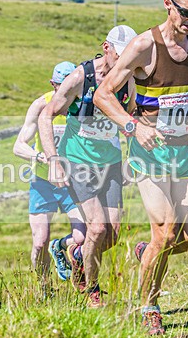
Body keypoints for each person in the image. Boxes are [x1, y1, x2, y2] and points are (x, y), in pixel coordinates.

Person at [94, 0, 188, 335]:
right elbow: (103, 95)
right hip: (148, 151)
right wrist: (133, 126)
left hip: (186, 151)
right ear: (167, 4)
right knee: (166, 230)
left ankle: (147, 253)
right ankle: (149, 306)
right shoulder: (143, 46)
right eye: (186, 13)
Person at [38, 26, 138, 308]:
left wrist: (133, 149)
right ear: (106, 48)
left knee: (112, 234)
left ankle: (76, 254)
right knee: (96, 228)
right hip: (78, 160)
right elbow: (46, 117)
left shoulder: (127, 78)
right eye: (120, 55)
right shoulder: (81, 77)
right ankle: (90, 290)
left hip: (111, 163)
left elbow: (129, 118)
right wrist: (54, 160)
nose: (124, 63)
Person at [13, 61, 85, 290]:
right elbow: (18, 145)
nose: (65, 92)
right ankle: (43, 287)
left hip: (72, 182)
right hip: (43, 181)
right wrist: (37, 156)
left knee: (82, 238)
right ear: (52, 84)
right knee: (39, 241)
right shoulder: (40, 105)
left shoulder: (83, 106)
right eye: (59, 87)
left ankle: (60, 246)